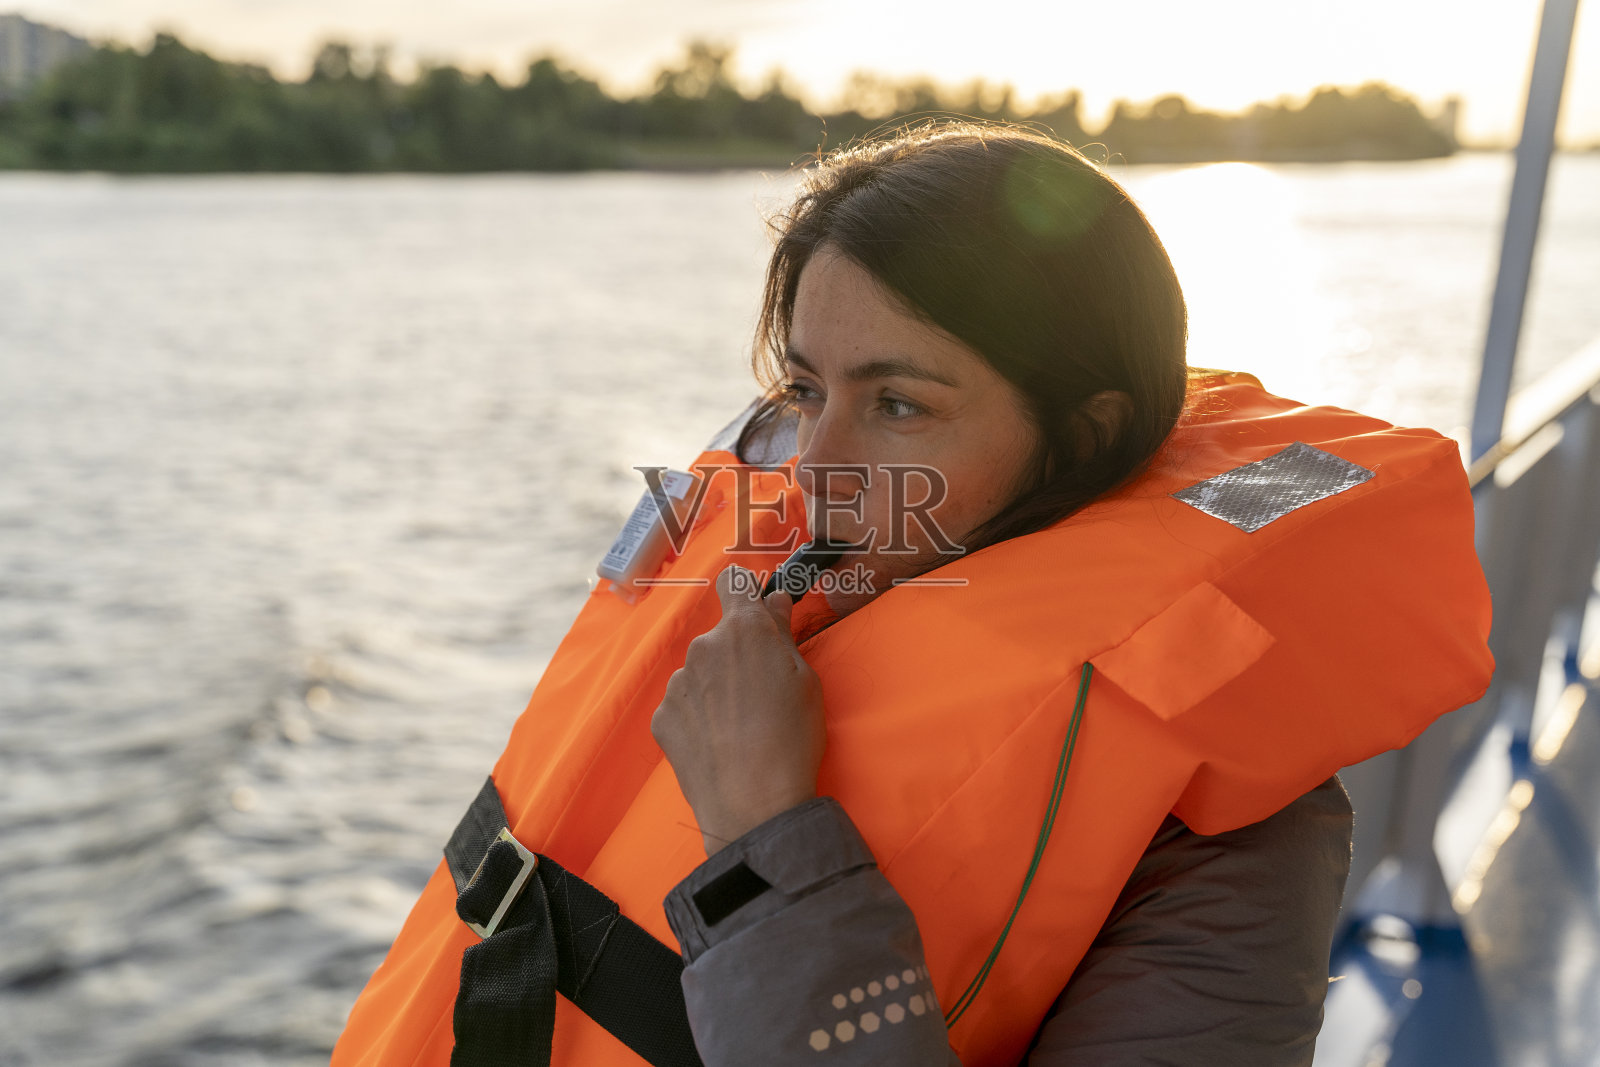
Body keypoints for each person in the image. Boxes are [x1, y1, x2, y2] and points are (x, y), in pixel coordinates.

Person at [334, 122, 1493, 1066]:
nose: (815, 467)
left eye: (900, 405)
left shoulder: (1222, 838)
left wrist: (759, 838)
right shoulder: (764, 598)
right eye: (802, 386)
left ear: (1079, 436)